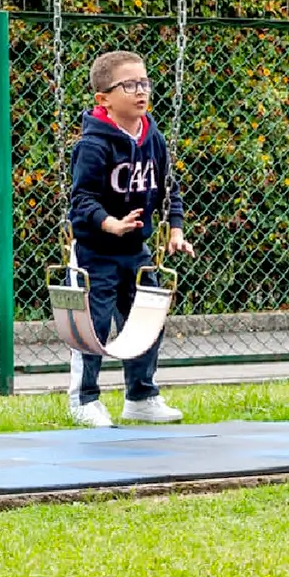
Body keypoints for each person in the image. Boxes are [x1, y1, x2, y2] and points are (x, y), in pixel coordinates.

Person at [65, 49, 193, 427]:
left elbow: (170, 188)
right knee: (94, 326)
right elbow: (82, 200)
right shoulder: (93, 144)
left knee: (146, 320)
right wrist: (109, 223)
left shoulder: (152, 137)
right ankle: (84, 399)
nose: (141, 91)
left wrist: (175, 229)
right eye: (130, 85)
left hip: (135, 251)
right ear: (103, 98)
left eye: (145, 82)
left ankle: (141, 395)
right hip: (95, 252)